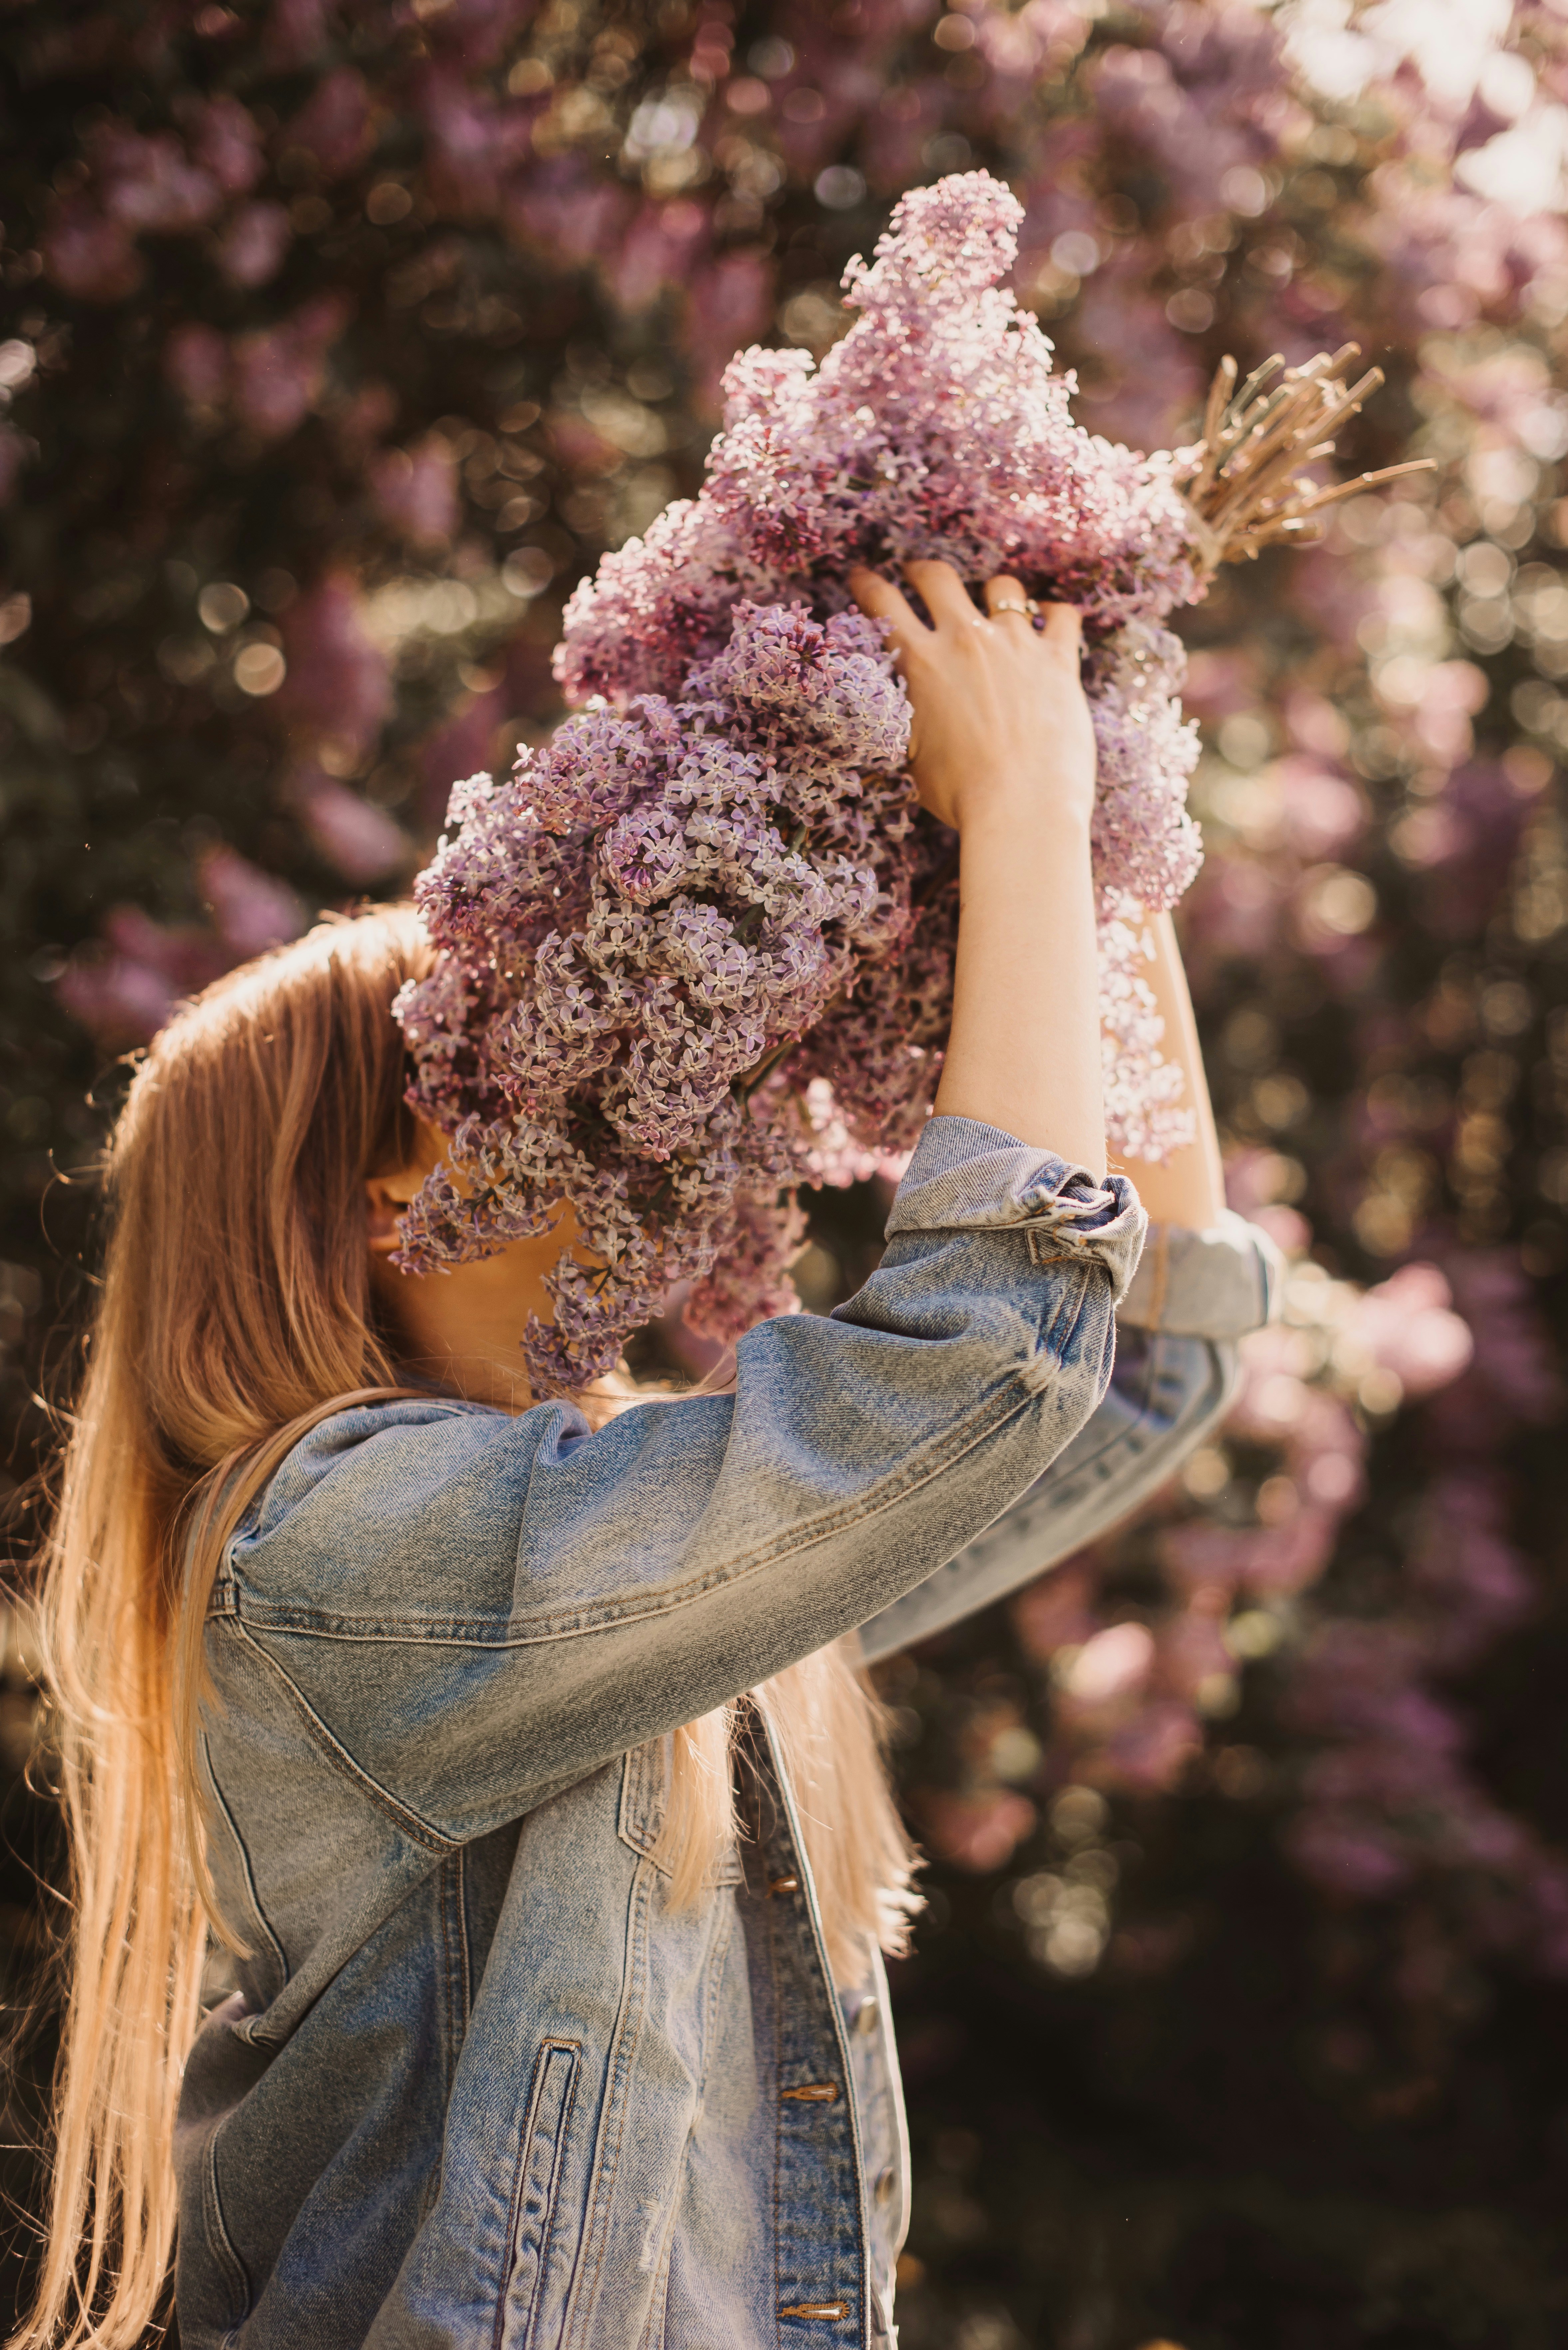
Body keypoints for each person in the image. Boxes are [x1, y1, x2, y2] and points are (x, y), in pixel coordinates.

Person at [20, 564, 1275, 2350]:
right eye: (517, 1043)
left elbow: (1133, 1347)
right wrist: (1023, 800)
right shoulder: (334, 1552)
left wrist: (1089, 831)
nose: (619, 1047)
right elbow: (981, 1354)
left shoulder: (629, 1535)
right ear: (387, 1180)